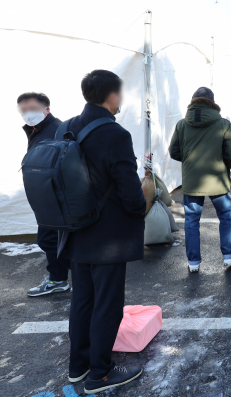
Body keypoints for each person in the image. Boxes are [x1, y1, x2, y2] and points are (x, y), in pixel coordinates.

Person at [61, 70, 146, 393]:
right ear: (111, 95)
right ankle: (100, 373)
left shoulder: (67, 126)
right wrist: (141, 207)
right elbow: (130, 194)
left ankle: (78, 367)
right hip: (108, 237)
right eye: (119, 93)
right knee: (107, 305)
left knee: (82, 300)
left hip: (75, 231)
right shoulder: (115, 135)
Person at [169, 87, 231, 273]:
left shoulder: (182, 124)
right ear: (212, 102)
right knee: (225, 217)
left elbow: (173, 151)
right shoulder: (223, 123)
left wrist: (190, 161)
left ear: (193, 102)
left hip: (192, 181)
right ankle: (229, 256)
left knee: (191, 220)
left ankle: (193, 263)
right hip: (217, 179)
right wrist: (222, 164)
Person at [18, 92, 71, 297]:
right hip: (46, 194)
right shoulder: (37, 129)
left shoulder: (55, 129)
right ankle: (59, 278)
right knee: (51, 238)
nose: (27, 113)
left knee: (49, 239)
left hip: (54, 195)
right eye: (23, 110)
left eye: (31, 108)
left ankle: (65, 277)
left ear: (46, 109)